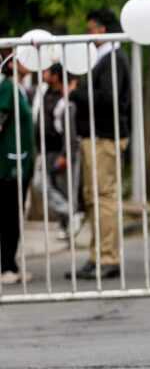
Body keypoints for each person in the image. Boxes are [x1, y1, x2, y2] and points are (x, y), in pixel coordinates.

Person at [66, 9, 131, 280]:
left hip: (105, 136)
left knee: (104, 198)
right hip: (96, 136)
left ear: (102, 29)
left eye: (89, 28)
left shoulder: (114, 58)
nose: (87, 33)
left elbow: (107, 97)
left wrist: (75, 93)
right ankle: (97, 256)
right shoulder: (104, 58)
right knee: (93, 198)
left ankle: (108, 257)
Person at [32, 64, 84, 241]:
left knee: (65, 189)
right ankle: (71, 214)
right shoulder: (43, 92)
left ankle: (68, 222)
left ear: (55, 76)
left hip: (62, 151)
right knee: (41, 184)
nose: (43, 73)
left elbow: (70, 128)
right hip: (46, 150)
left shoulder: (66, 95)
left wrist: (66, 155)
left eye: (47, 71)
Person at [0, 51, 36, 285]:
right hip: (8, 165)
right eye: (24, 58)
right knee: (9, 216)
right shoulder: (6, 88)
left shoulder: (19, 89)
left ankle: (11, 263)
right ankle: (6, 266)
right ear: (12, 64)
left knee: (14, 216)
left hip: (20, 164)